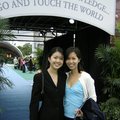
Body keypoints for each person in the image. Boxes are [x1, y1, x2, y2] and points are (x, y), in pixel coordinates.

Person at [29, 47, 67, 120]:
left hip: (61, 116)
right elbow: (34, 103)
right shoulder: (39, 77)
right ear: (49, 59)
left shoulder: (64, 76)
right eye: (55, 57)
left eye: (61, 58)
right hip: (45, 116)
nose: (58, 61)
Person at [64, 47, 97, 120]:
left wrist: (84, 113)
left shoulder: (86, 77)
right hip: (63, 116)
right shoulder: (65, 76)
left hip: (78, 118)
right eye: (68, 58)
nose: (70, 61)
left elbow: (93, 98)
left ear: (79, 59)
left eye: (73, 58)